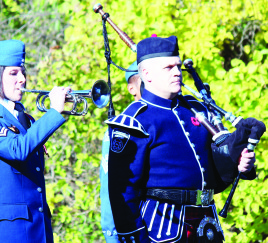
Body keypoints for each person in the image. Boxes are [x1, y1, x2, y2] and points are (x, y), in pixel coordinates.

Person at [105, 36, 257, 243]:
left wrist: (241, 165)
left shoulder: (197, 109)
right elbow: (122, 193)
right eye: (168, 67)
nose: (177, 72)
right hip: (162, 230)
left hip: (207, 226)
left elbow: (214, 175)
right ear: (147, 74)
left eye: (178, 66)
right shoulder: (134, 122)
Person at [0, 40, 70, 243]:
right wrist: (53, 113)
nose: (22, 79)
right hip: (10, 233)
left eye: (23, 72)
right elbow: (17, 149)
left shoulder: (27, 119)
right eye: (14, 73)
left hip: (39, 230)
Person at [100, 61, 142, 242]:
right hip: (139, 228)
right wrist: (113, 234)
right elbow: (110, 186)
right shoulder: (124, 127)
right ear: (132, 88)